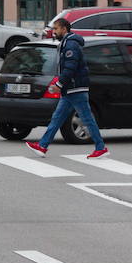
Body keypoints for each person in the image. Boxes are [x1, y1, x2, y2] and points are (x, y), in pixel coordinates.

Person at [26, 17, 108, 159]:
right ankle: (42, 146)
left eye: (56, 29)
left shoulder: (70, 44)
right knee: (57, 118)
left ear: (64, 29)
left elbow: (70, 67)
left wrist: (59, 84)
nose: (53, 32)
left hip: (76, 89)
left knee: (87, 119)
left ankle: (101, 148)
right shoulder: (66, 43)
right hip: (70, 89)